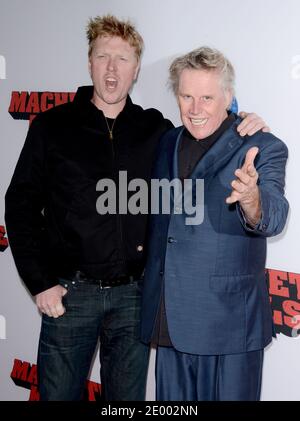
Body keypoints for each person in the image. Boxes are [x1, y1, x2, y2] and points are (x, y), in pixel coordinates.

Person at [5, 14, 270, 401]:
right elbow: (20, 205)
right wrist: (40, 281)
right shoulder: (52, 126)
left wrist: (243, 119)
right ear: (89, 63)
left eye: (123, 59)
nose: (112, 68)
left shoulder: (156, 130)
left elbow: (206, 128)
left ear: (136, 69)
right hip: (70, 295)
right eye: (103, 56)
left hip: (134, 297)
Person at [140, 46, 289, 401]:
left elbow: (276, 214)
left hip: (229, 326)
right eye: (186, 96)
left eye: (207, 97)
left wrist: (253, 200)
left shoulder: (262, 146)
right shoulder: (167, 142)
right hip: (171, 320)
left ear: (229, 97)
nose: (195, 109)